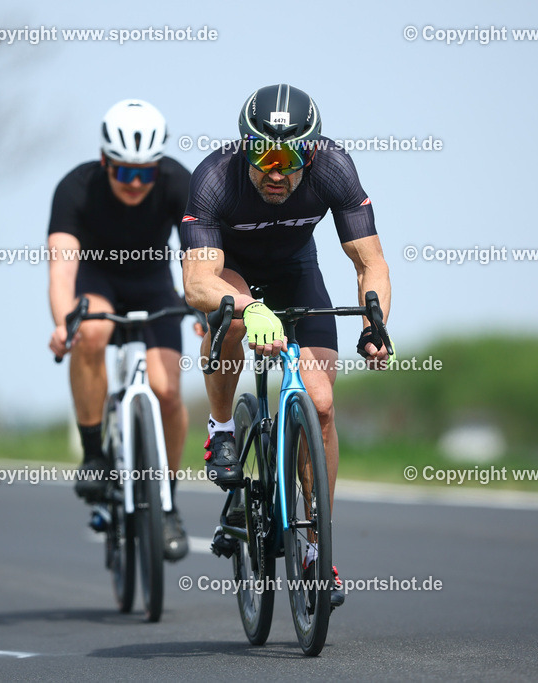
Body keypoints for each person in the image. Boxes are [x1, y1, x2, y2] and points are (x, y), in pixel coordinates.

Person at [180, 84, 392, 605]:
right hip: (231, 272)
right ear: (245, 147)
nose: (276, 171)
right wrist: (250, 308)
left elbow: (371, 264)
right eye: (263, 155)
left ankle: (319, 544)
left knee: (321, 406)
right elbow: (196, 282)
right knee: (228, 320)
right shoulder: (214, 178)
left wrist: (375, 322)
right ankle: (223, 428)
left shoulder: (334, 168)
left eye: (291, 156)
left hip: (298, 272)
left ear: (312, 150)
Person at [48, 99, 193, 561]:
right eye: (124, 172)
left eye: (144, 173)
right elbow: (61, 270)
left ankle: (167, 503)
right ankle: (94, 454)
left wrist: (208, 310)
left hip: (154, 284)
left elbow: (200, 254)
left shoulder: (177, 181)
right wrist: (62, 322)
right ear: (104, 160)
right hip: (98, 279)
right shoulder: (75, 187)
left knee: (167, 391)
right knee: (89, 334)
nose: (134, 183)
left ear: (158, 167)